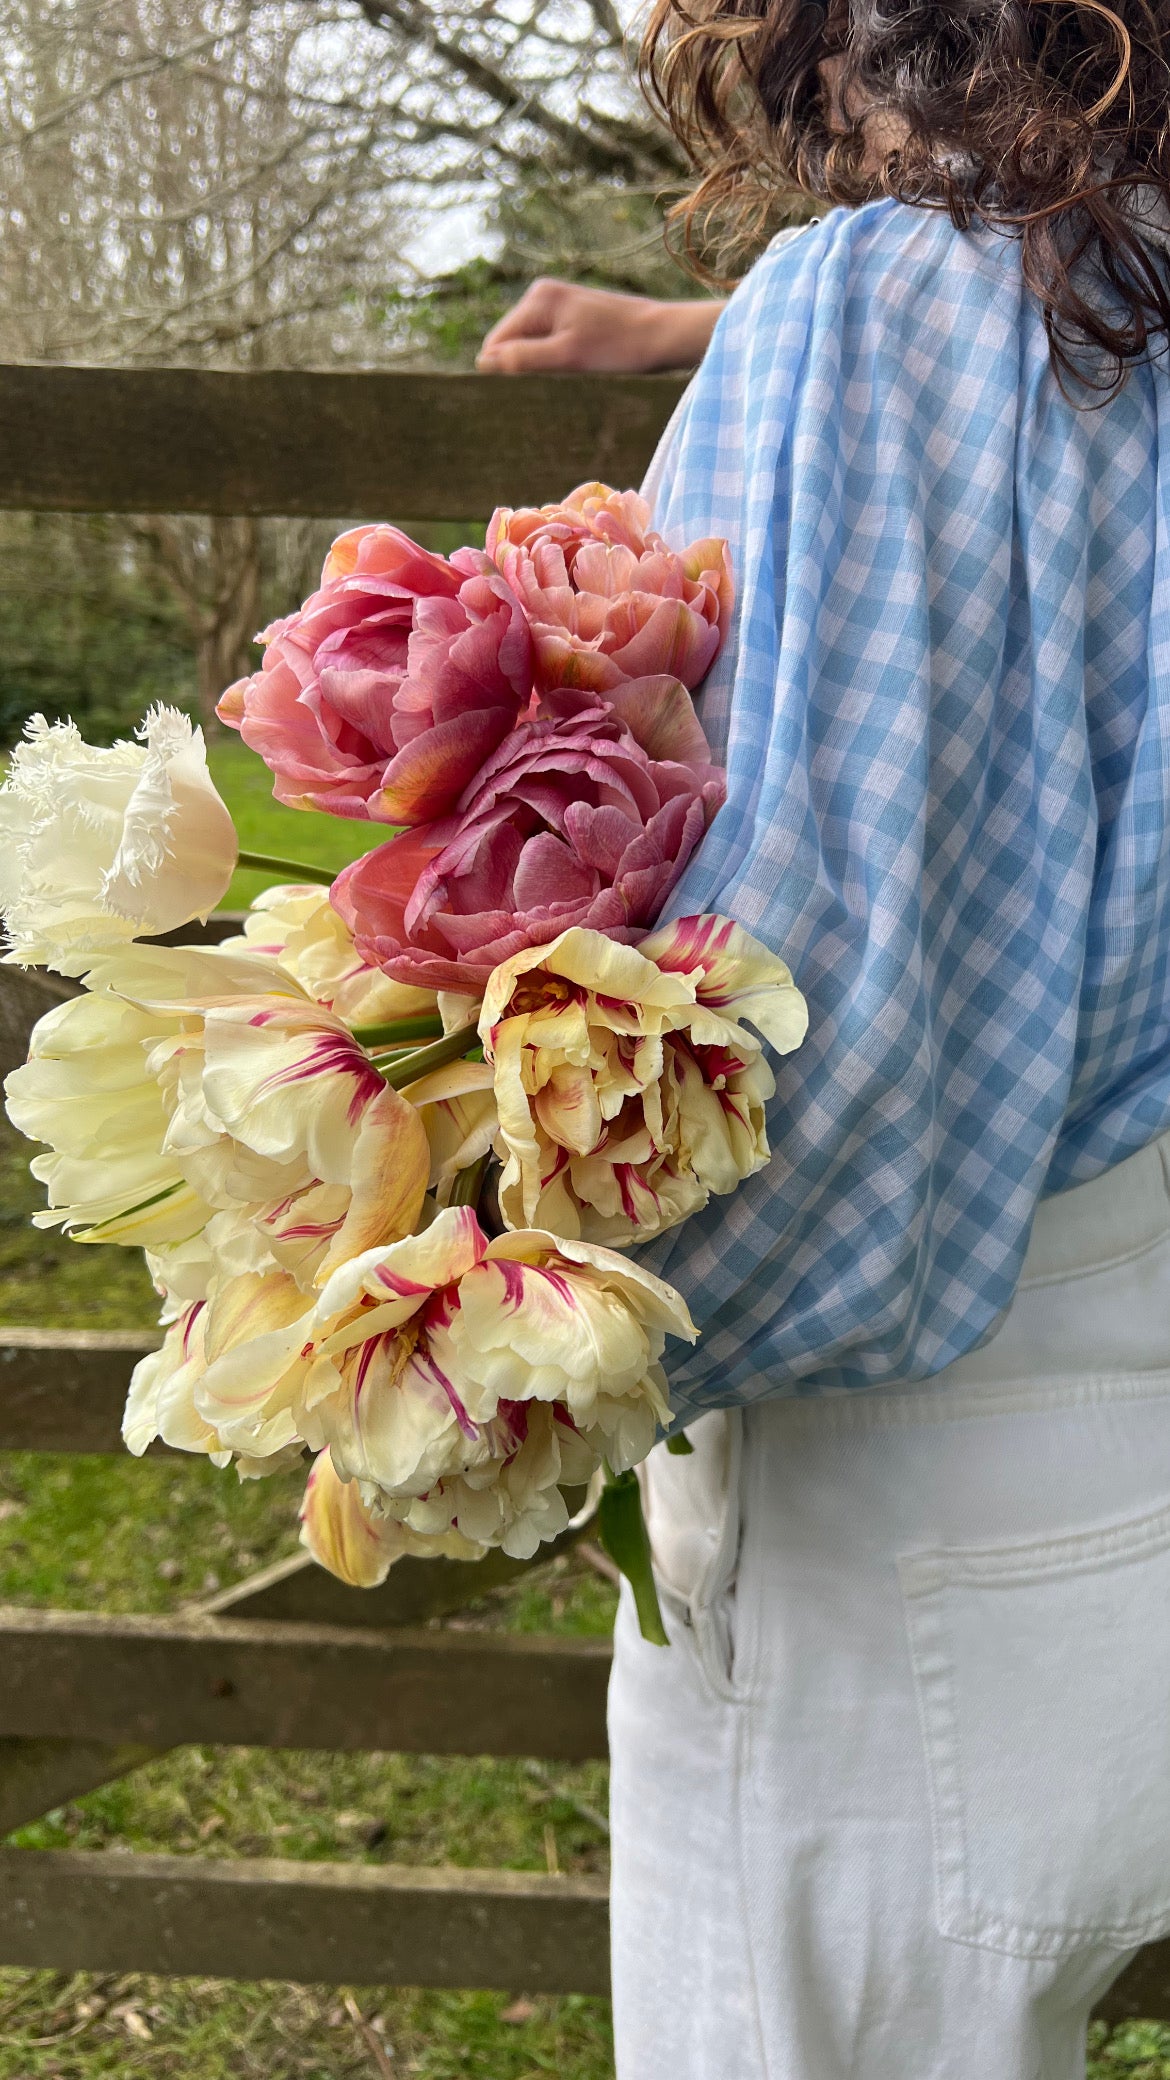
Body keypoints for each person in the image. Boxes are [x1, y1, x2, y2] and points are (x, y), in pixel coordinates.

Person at [484, 7, 1170, 2078]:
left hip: (914, 1539)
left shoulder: (875, 306)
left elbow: (818, 1053)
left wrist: (517, 1328)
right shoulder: (1119, 277)